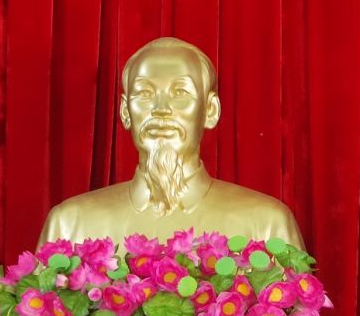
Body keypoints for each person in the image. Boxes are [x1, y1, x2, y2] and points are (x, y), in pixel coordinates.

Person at [39, 36, 302, 247]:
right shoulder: (69, 225)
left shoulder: (267, 225)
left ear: (210, 110)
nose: (161, 109)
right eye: (145, 93)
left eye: (180, 93)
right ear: (125, 112)